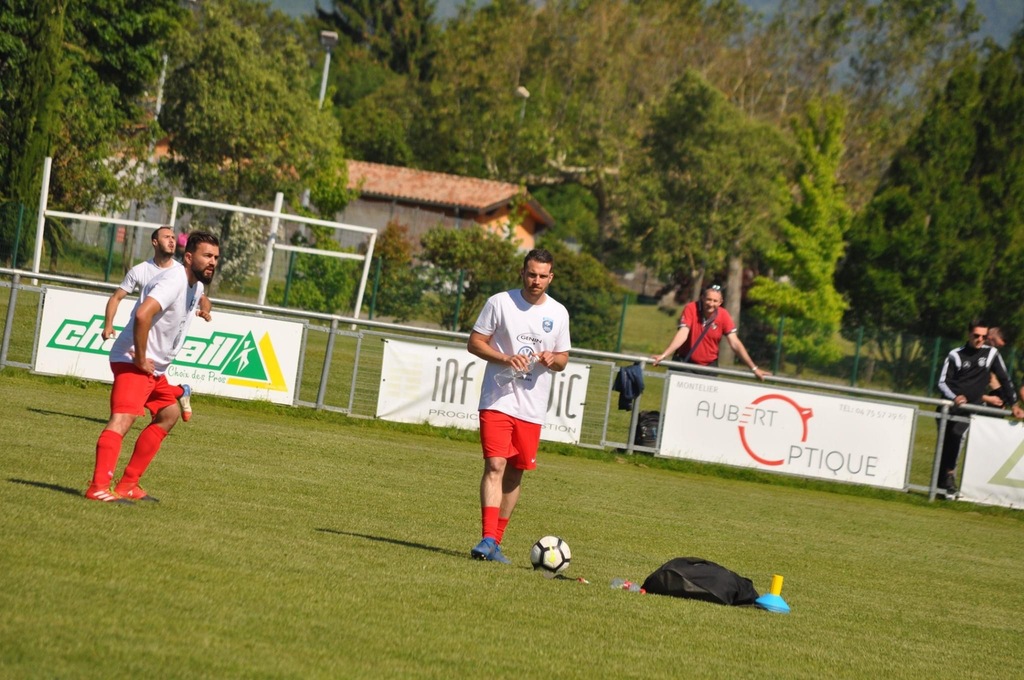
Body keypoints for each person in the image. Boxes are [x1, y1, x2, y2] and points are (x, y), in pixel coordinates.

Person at [85, 232, 221, 504]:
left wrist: (205, 307)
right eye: (207, 256)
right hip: (133, 360)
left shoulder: (195, 284)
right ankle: (98, 487)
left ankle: (128, 485)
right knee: (122, 420)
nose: (213, 262)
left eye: (216, 257)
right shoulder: (174, 280)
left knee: (168, 414)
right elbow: (142, 314)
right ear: (189, 257)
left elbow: (202, 297)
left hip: (153, 369)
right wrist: (139, 358)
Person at [466, 248, 571, 563]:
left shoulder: (559, 313)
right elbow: (474, 342)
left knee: (514, 474)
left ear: (551, 278)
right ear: (522, 273)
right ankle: (487, 538)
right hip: (497, 399)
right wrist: (505, 358)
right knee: (495, 465)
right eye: (531, 274)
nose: (536, 280)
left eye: (542, 276)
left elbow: (563, 359)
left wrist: (553, 359)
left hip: (531, 408)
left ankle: (495, 543)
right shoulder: (500, 302)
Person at [102, 225, 211, 421]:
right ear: (154, 242)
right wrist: (108, 323)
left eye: (173, 237)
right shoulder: (140, 271)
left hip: (157, 346)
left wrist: (205, 309)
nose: (172, 240)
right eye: (166, 237)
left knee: (139, 392)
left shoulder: (182, 272)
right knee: (141, 389)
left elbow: (202, 296)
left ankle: (123, 417)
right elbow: (116, 297)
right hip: (138, 339)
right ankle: (181, 391)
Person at [936, 320, 1016, 498]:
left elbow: (1000, 380)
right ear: (969, 334)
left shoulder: (991, 355)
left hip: (970, 408)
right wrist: (957, 397)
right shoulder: (956, 354)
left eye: (983, 336)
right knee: (946, 447)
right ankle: (940, 489)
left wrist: (1012, 403)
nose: (980, 339)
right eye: (977, 335)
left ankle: (948, 483)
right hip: (950, 407)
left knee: (956, 438)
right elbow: (944, 382)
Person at [651, 284, 769, 380]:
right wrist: (664, 355)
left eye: (715, 301)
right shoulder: (691, 308)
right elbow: (683, 333)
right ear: (702, 298)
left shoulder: (723, 315)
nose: (711, 304)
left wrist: (754, 368)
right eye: (708, 299)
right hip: (686, 364)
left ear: (720, 302)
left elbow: (735, 343)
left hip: (709, 368)